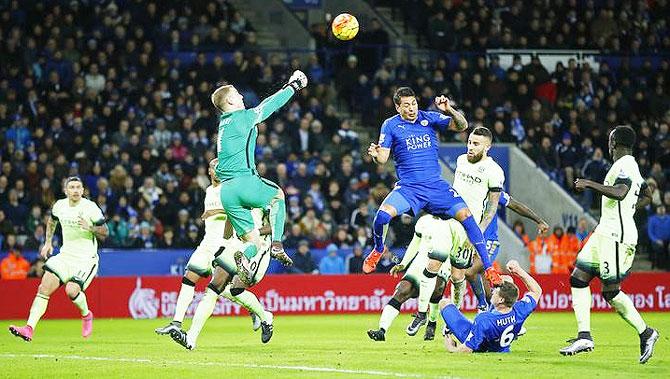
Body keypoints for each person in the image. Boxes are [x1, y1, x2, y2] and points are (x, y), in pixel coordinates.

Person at [365, 87, 502, 289]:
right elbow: (383, 158)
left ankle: (490, 269)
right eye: (406, 105)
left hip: (436, 187)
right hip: (409, 188)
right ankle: (377, 250)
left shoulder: (429, 118)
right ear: (397, 107)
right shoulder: (390, 125)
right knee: (383, 216)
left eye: (413, 103)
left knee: (467, 217)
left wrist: (449, 109)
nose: (411, 108)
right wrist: (376, 154)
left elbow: (462, 126)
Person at [562, 125, 659, 364]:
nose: (608, 143)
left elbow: (620, 192)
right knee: (578, 278)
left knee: (610, 291)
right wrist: (630, 210)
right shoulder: (627, 166)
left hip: (617, 235)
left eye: (609, 139)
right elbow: (646, 194)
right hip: (604, 231)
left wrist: (589, 183)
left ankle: (646, 332)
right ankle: (584, 335)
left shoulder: (626, 165)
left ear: (614, 142)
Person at [211, 70, 308, 285]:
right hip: (243, 181)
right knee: (278, 196)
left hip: (226, 193)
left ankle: (245, 257)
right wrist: (294, 85)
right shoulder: (241, 117)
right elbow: (269, 105)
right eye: (237, 94)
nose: (242, 96)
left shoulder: (224, 125)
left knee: (253, 239)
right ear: (229, 100)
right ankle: (277, 245)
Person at [155, 159, 268, 338]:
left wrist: (215, 213)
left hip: (224, 245)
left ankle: (255, 310)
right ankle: (176, 323)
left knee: (219, 289)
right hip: (207, 243)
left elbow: (238, 212)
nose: (216, 172)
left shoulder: (230, 190)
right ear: (209, 171)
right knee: (189, 278)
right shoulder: (208, 191)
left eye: (219, 169)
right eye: (213, 168)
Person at [9, 177, 108, 341]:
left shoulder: (90, 208)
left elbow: (105, 232)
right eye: (72, 187)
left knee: (71, 290)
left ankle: (86, 315)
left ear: (83, 191)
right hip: (65, 256)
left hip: (85, 259)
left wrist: (89, 227)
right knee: (43, 288)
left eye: (78, 187)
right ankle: (28, 328)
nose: (75, 190)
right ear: (66, 191)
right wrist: (48, 242)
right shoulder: (60, 206)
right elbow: (51, 221)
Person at [169, 208, 276, 350]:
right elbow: (231, 216)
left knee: (236, 290)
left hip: (258, 247)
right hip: (236, 244)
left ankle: (265, 317)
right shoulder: (236, 192)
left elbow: (276, 225)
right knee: (213, 289)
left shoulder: (267, 195)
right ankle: (191, 338)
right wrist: (224, 243)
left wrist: (254, 233)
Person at [367, 216, 471, 342]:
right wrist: (404, 263)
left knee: (435, 291)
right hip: (420, 261)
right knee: (401, 290)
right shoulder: (423, 220)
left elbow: (457, 251)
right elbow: (415, 243)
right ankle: (382, 330)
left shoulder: (455, 224)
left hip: (442, 262)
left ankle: (431, 323)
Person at [439, 259, 541, 353]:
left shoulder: (484, 319)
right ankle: (516, 329)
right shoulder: (520, 310)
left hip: (481, 346)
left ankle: (452, 327)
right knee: (507, 279)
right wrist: (519, 270)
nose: (492, 291)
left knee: (444, 303)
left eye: (496, 292)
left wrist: (451, 347)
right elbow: (537, 291)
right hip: (502, 345)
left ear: (501, 299)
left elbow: (467, 349)